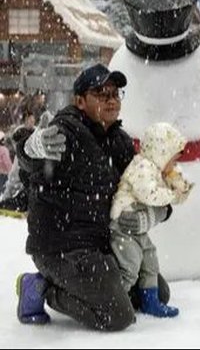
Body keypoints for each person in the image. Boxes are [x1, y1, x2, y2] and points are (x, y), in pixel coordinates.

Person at [14, 64, 168, 331]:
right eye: (101, 93)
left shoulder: (119, 141)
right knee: (118, 315)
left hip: (101, 244)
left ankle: (91, 288)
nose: (111, 99)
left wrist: (155, 214)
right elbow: (31, 160)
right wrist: (30, 147)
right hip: (61, 247)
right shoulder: (66, 130)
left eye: (115, 93)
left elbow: (149, 187)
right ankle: (41, 287)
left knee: (155, 292)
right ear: (80, 101)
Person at [110, 122, 194, 318]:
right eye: (173, 161)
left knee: (150, 257)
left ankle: (150, 300)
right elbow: (149, 195)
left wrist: (177, 183)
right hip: (122, 225)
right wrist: (171, 195)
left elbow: (178, 194)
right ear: (162, 154)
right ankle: (114, 300)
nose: (174, 166)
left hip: (138, 228)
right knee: (130, 265)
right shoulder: (143, 166)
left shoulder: (157, 170)